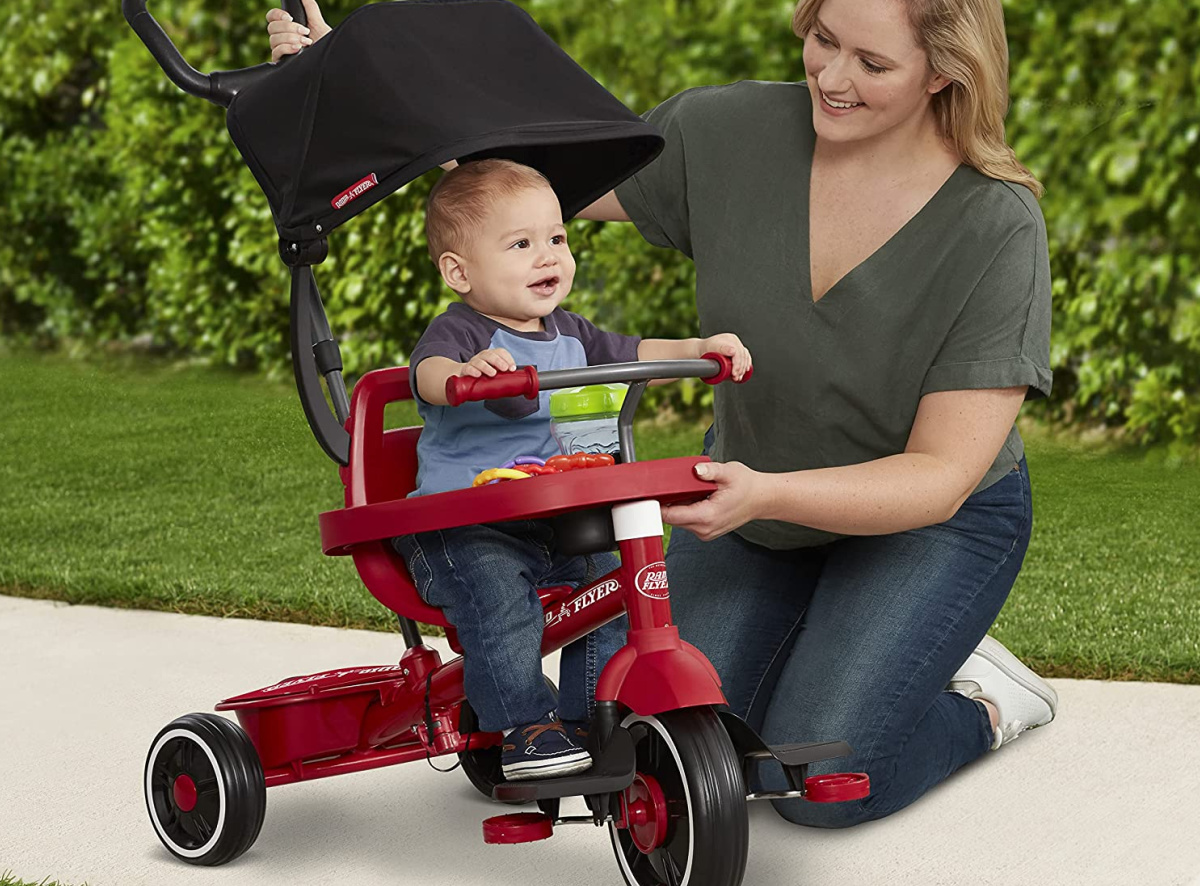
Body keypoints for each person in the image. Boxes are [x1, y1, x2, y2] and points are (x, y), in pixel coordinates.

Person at [265, 0, 1057, 822]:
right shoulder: (728, 130)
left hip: (923, 524)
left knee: (819, 784)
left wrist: (766, 493)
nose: (830, 76)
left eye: (872, 63)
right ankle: (846, 648)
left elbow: (938, 477)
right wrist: (352, 82)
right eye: (823, 40)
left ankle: (987, 701)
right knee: (653, 739)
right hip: (752, 514)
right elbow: (513, 186)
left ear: (944, 73)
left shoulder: (994, 225)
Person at [392, 158, 751, 780]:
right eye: (520, 243)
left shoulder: (572, 335)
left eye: (557, 238)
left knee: (616, 587)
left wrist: (697, 350)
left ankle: (590, 720)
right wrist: (461, 379)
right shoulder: (463, 333)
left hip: (555, 520)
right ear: (459, 271)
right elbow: (425, 373)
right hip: (465, 530)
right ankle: (524, 726)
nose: (547, 256)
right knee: (501, 604)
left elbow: (635, 353)